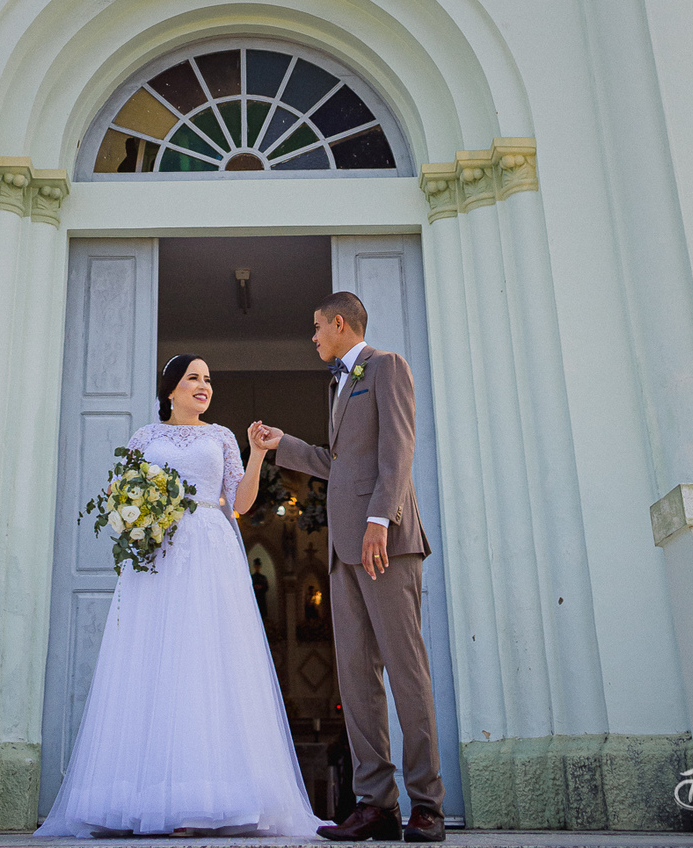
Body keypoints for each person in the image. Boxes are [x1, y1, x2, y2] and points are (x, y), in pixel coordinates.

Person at [36, 354, 323, 838]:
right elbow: (121, 495)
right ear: (171, 389)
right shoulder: (146, 438)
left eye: (208, 379)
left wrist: (256, 455)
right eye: (194, 378)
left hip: (210, 552)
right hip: (159, 557)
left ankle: (206, 798)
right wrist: (136, 514)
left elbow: (240, 504)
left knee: (207, 664)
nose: (203, 386)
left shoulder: (221, 437)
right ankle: (144, 797)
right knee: (152, 662)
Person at [252, 293, 447, 843]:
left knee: (406, 674)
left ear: (340, 324)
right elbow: (333, 465)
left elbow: (398, 450)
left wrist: (381, 520)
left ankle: (427, 804)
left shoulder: (385, 366)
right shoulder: (336, 384)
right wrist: (280, 444)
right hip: (343, 552)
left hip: (385, 544)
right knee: (357, 679)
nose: (312, 338)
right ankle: (376, 804)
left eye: (316, 327)